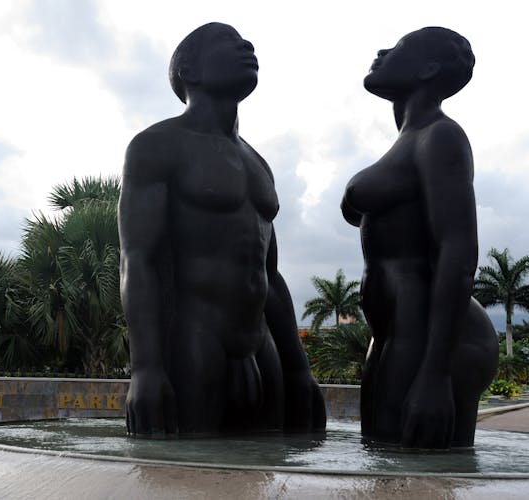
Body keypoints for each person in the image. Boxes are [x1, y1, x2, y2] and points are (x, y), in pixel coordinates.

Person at [118, 22, 325, 437]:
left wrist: (299, 368)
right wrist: (145, 368)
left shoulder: (258, 163)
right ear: (190, 70)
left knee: (268, 466)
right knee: (189, 473)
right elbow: (136, 260)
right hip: (195, 337)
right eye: (227, 41)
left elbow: (272, 277)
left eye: (244, 39)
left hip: (259, 341)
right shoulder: (156, 146)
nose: (246, 45)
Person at [342, 27, 498, 449]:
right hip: (395, 330)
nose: (381, 51)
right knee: (380, 453)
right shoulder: (411, 142)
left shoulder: (440, 136)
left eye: (398, 48)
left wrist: (436, 373)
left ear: (428, 69)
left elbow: (459, 253)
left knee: (417, 467)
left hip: (436, 337)